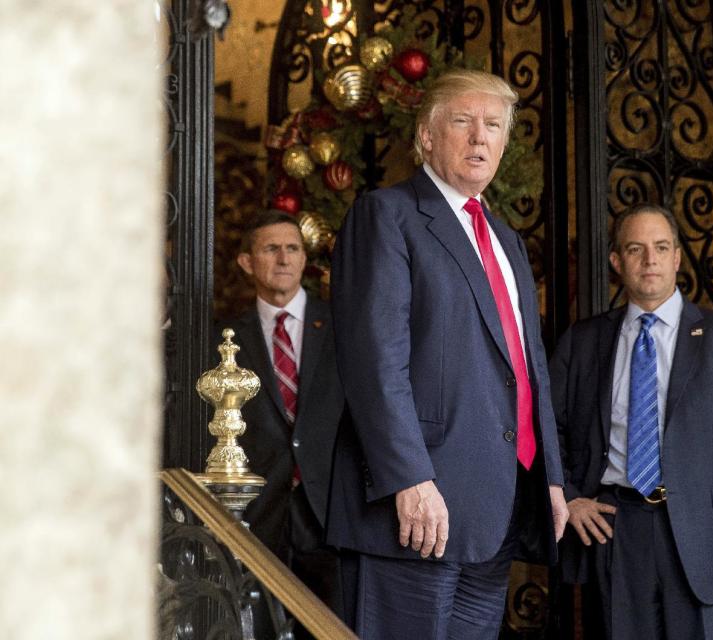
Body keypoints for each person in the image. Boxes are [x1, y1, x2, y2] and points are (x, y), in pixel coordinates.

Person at [328, 69, 569, 639]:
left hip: (495, 504)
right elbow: (375, 363)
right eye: (463, 121)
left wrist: (551, 478)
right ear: (427, 136)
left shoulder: (506, 238)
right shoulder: (386, 216)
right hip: (414, 511)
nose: (480, 137)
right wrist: (409, 477)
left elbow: (527, 368)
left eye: (493, 126)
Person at [549, 204, 713, 639]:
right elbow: (546, 426)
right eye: (635, 249)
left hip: (704, 537)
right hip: (614, 530)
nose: (649, 260)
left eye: (660, 247)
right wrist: (571, 497)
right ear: (617, 262)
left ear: (676, 257)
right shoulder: (583, 341)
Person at [222, 209, 343, 616]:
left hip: (331, 515)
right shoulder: (226, 338)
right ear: (246, 262)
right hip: (258, 518)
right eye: (271, 249)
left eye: (293, 249)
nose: (284, 259)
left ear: (305, 260)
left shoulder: (343, 327)